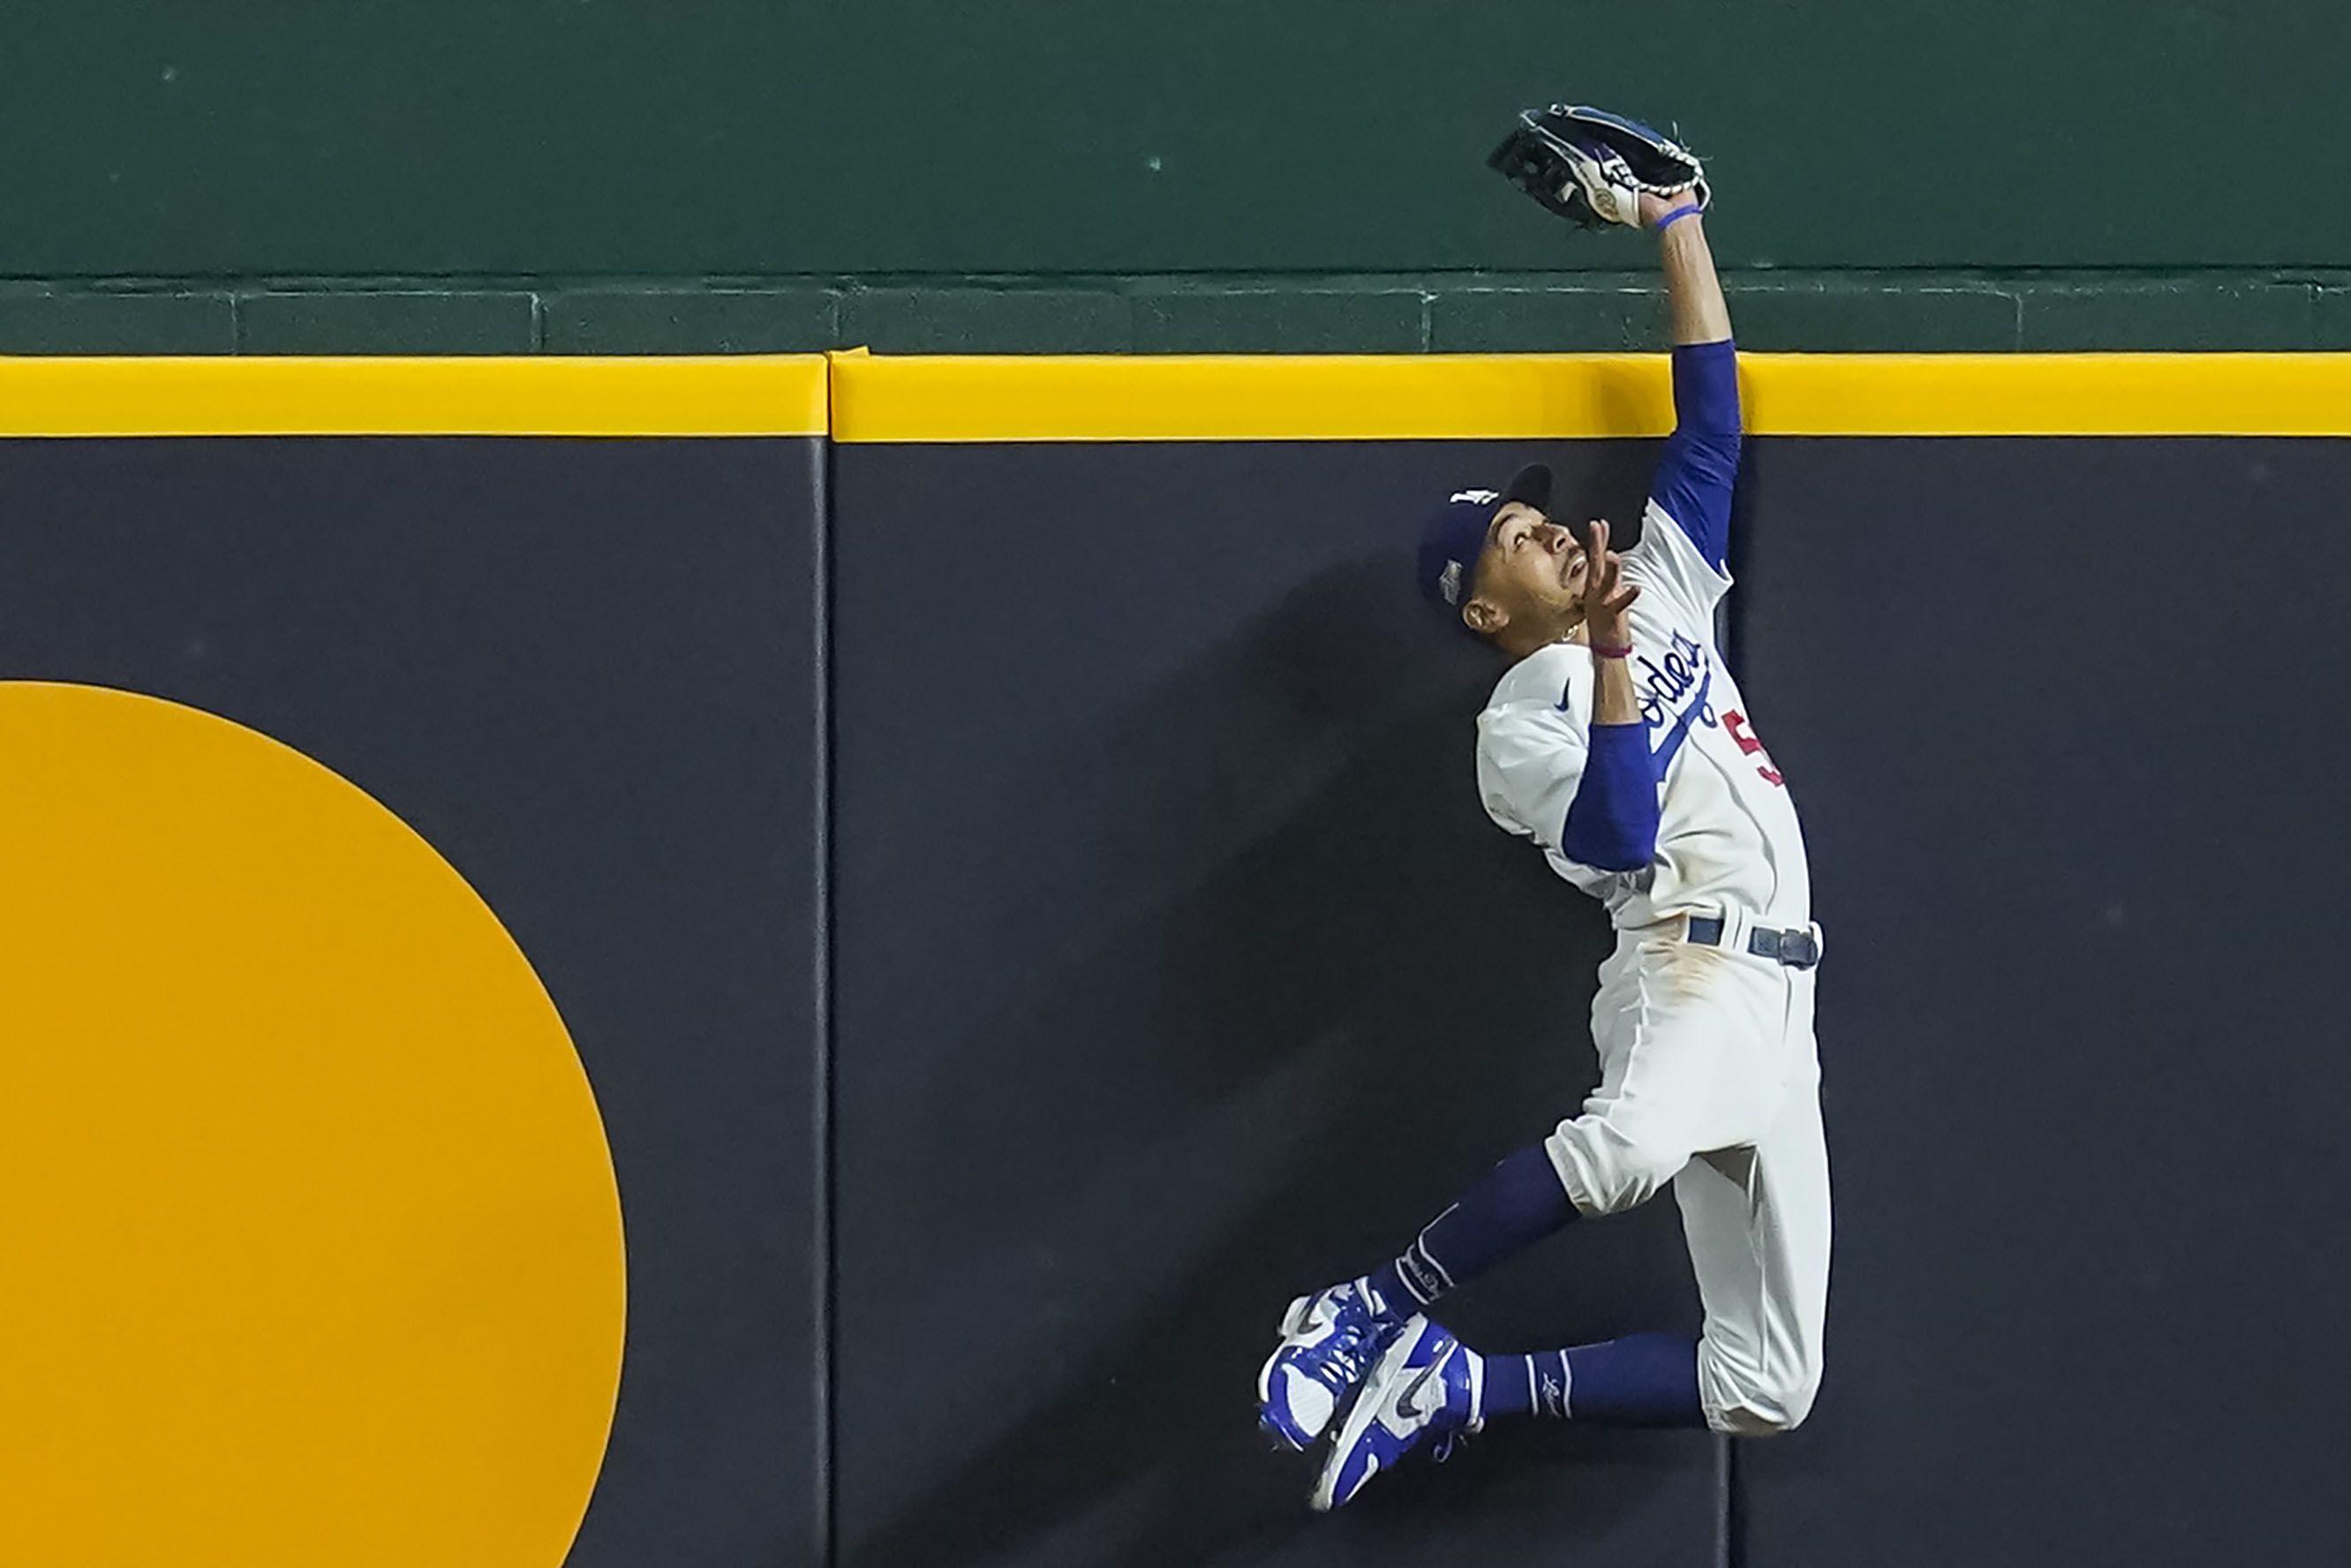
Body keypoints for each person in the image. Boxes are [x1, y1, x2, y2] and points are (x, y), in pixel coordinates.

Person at [1256, 181, 1831, 1512]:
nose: (1559, 535)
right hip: (1690, 971)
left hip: (1784, 1006)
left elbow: (1713, 421)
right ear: (1479, 609)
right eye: (1520, 539)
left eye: (1545, 520)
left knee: (1768, 1383)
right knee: (1622, 1152)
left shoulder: (1661, 584)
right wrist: (1617, 655)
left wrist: (1679, 221)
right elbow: (1622, 832)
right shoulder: (1521, 715)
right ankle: (1360, 1308)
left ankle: (1455, 1386)